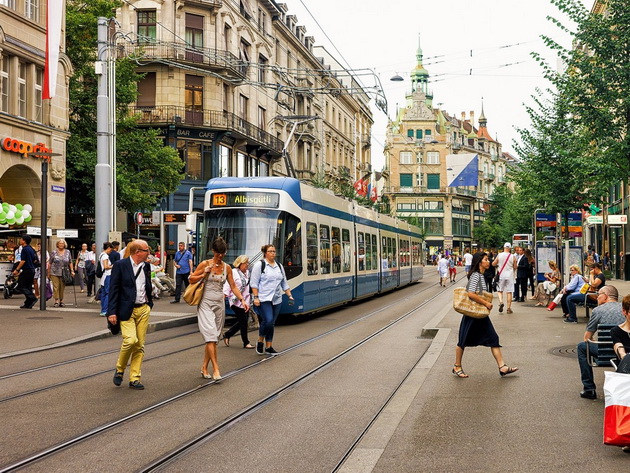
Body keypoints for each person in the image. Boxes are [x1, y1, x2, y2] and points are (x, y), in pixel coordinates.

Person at [189, 237, 249, 380]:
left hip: (219, 304)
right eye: (218, 253)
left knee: (214, 339)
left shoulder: (227, 267)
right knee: (210, 336)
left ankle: (204, 367)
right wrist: (204, 273)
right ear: (213, 251)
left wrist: (242, 300)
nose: (220, 256)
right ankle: (216, 368)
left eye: (223, 253)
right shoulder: (205, 264)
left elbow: (233, 286)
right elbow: (191, 279)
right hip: (205, 303)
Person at [452, 251, 518, 378]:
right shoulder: (476, 275)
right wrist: (486, 303)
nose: (489, 261)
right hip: (472, 314)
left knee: (493, 338)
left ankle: (502, 367)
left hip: (479, 314)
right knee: (462, 341)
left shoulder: (481, 275)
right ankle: (457, 366)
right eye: (486, 259)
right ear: (479, 262)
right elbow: (471, 294)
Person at [106, 240, 154, 390]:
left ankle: (134, 378)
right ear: (138, 252)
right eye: (147, 250)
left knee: (139, 345)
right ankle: (120, 369)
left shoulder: (146, 266)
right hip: (126, 309)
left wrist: (149, 304)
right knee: (130, 340)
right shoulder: (121, 265)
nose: (149, 253)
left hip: (143, 308)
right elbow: (113, 289)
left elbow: (147, 284)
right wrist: (111, 311)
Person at [576, 285, 623, 400]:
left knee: (582, 347)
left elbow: (587, 337)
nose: (596, 298)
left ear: (605, 296)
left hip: (604, 353)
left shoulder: (598, 310)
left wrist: (597, 341)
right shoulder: (626, 309)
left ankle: (589, 389)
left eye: (598, 295)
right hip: (625, 353)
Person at [250, 244, 294, 355]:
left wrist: (289, 295)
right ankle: (260, 341)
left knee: (271, 323)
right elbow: (254, 283)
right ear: (265, 253)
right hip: (263, 298)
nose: (273, 253)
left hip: (276, 299)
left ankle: (269, 346)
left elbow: (284, 282)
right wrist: (256, 297)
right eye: (270, 251)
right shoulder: (259, 265)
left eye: (274, 251)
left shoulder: (279, 266)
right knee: (268, 320)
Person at [223, 254, 255, 349]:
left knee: (243, 321)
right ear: (240, 264)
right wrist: (224, 295)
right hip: (235, 301)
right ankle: (246, 342)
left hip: (245, 301)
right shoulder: (233, 272)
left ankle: (227, 334)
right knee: (244, 321)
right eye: (245, 263)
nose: (247, 265)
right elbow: (229, 286)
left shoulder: (247, 273)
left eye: (247, 263)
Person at [12, 235, 38, 309]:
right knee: (28, 286)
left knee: (21, 285)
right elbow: (35, 260)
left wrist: (17, 270)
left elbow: (23, 261)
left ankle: (32, 297)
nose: (20, 240)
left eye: (21, 239)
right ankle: (28, 303)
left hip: (27, 269)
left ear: (24, 241)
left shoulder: (24, 249)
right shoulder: (31, 249)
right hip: (32, 269)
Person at [49, 239, 75, 308]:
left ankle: (61, 300)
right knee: (56, 286)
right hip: (54, 271)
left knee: (62, 287)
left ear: (64, 245)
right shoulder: (53, 252)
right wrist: (48, 272)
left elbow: (70, 262)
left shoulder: (67, 252)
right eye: (60, 243)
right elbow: (50, 263)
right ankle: (56, 301)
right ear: (57, 244)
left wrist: (72, 270)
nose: (61, 245)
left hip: (64, 272)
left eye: (62, 243)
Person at [492, 243, 517, 314]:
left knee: (500, 290)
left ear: (503, 248)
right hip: (510, 276)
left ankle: (501, 302)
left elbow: (493, 263)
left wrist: (498, 264)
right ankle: (508, 308)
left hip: (501, 275)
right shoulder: (513, 256)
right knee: (509, 292)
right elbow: (515, 266)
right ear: (510, 248)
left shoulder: (499, 255)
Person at [99, 242, 114, 316]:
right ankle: (105, 310)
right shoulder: (105, 256)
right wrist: (113, 266)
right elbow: (106, 266)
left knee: (104, 293)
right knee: (108, 293)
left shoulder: (101, 254)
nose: (110, 252)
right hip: (107, 275)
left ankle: (103, 309)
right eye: (110, 250)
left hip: (103, 276)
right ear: (108, 248)